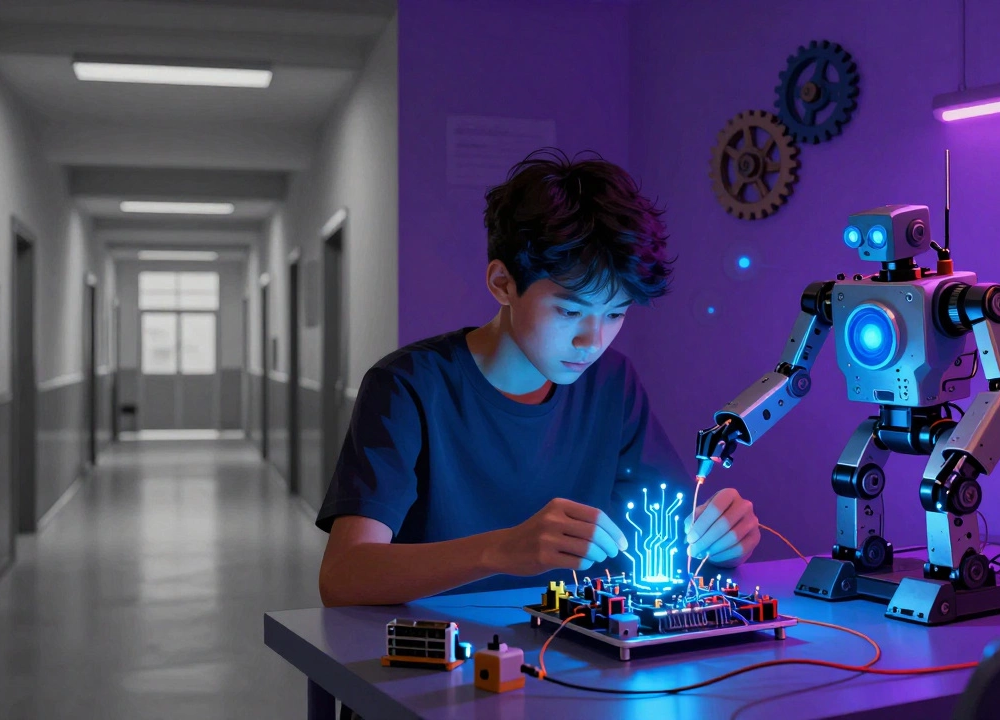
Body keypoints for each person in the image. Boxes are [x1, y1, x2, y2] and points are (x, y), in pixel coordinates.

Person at [317, 149, 760, 607]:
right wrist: (500, 551)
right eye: (570, 310)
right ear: (502, 283)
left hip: (579, 653)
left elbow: (674, 538)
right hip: (436, 658)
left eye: (615, 313)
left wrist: (723, 539)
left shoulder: (612, 382)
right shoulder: (407, 387)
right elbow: (343, 575)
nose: (593, 340)